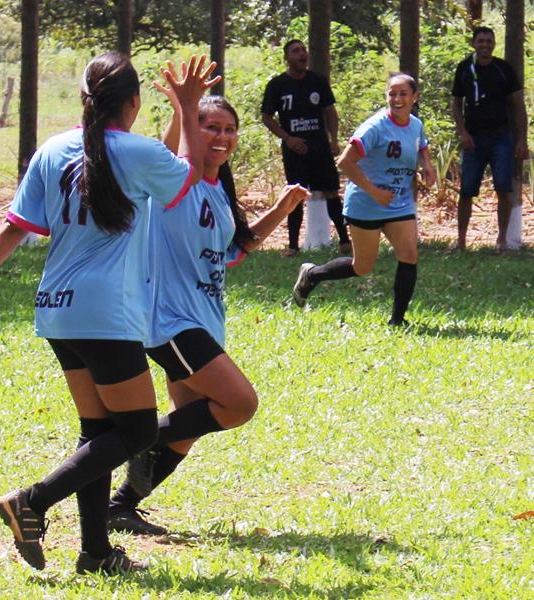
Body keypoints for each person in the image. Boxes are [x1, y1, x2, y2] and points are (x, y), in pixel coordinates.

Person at [0, 52, 221, 574]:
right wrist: (186, 107)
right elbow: (185, 177)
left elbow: (16, 224)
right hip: (106, 314)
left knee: (97, 433)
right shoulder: (136, 151)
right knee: (137, 432)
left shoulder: (53, 149)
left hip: (57, 312)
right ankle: (31, 501)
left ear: (85, 100)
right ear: (134, 103)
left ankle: (95, 553)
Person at [106, 88, 308, 535]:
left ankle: (120, 507)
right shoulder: (173, 184)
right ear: (192, 133)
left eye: (229, 128)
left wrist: (281, 209)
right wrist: (184, 104)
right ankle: (123, 443)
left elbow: (235, 250)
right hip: (169, 324)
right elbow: (168, 151)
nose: (222, 136)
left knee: (188, 427)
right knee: (239, 403)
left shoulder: (217, 191)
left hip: (203, 323)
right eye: (210, 127)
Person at [292, 73, 436, 327]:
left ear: (414, 97)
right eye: (392, 93)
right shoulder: (375, 127)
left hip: (398, 202)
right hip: (366, 203)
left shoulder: (415, 124)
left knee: (409, 254)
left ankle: (397, 320)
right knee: (362, 267)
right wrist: (374, 192)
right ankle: (312, 274)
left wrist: (427, 166)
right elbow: (345, 162)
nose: (397, 99)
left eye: (403, 94)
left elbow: (421, 144)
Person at [261, 39, 350, 257]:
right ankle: (293, 246)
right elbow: (266, 117)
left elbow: (330, 111)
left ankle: (345, 242)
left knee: (331, 192)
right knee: (295, 195)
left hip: (320, 147)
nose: (302, 54)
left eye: (304, 50)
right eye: (295, 51)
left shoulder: (318, 81)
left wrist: (333, 140)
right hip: (295, 151)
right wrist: (288, 138)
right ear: (287, 57)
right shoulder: (277, 85)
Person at [451, 25, 528, 251]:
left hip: (501, 138)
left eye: (489, 41)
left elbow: (518, 105)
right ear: (474, 43)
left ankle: (502, 240)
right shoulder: (465, 68)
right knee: (466, 190)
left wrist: (522, 139)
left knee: (503, 188)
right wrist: (462, 132)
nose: (485, 45)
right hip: (473, 140)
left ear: (494, 44)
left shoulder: (503, 69)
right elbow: (456, 103)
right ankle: (461, 241)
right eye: (481, 41)